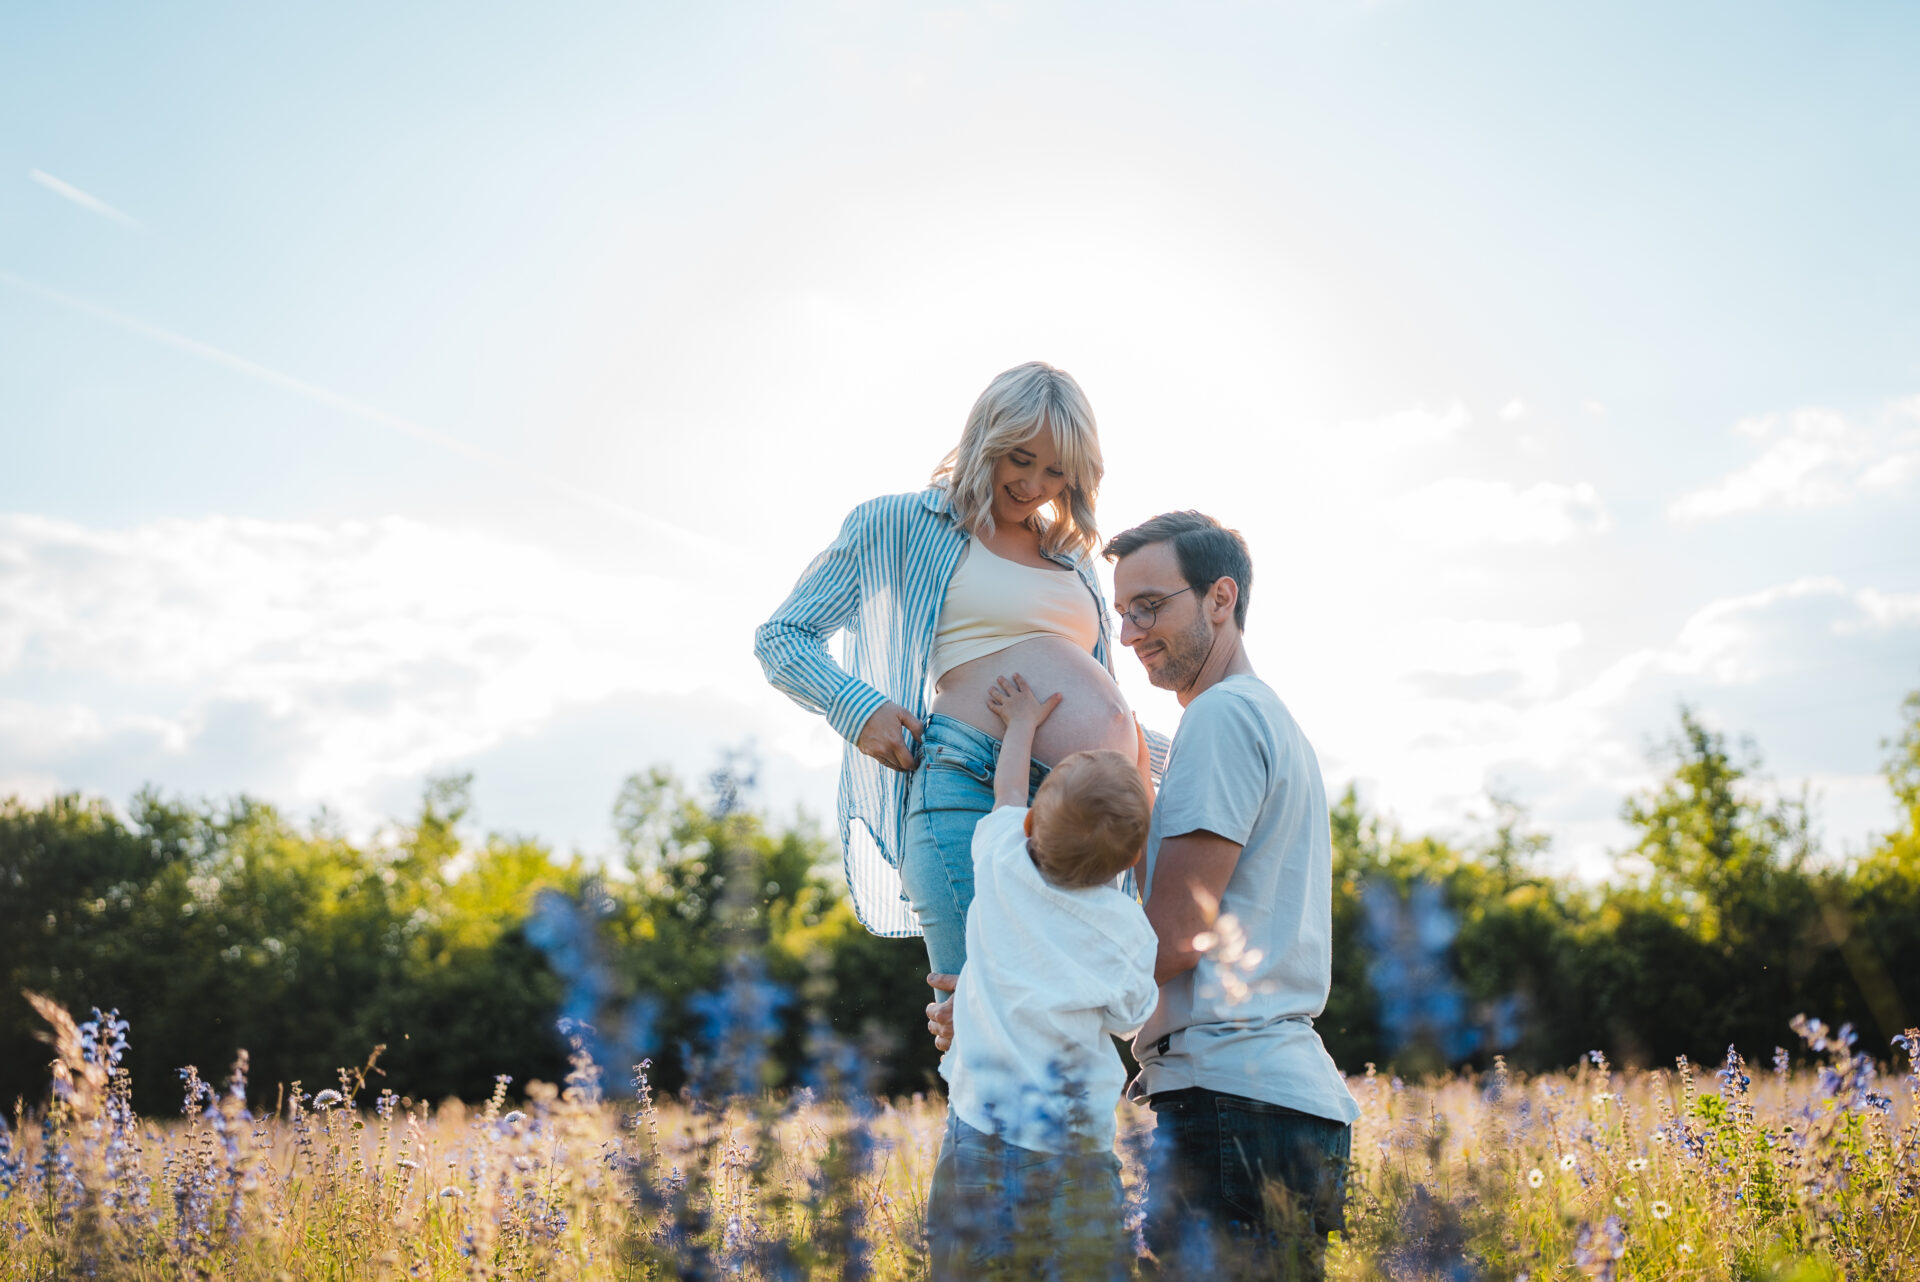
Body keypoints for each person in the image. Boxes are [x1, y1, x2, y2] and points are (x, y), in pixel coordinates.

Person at [753, 362, 1158, 981]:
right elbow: (783, 637)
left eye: (1056, 471)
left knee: (1074, 1016)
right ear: (985, 440)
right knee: (980, 1013)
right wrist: (858, 710)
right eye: (1020, 459)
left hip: (1086, 814)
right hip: (969, 786)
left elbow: (1101, 690)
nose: (1034, 485)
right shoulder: (900, 525)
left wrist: (1164, 752)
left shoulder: (1072, 559)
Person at [1103, 510, 1360, 1274]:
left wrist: (1025, 998)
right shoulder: (1264, 719)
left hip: (1229, 1103)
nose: (1130, 634)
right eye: (1121, 613)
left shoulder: (1221, 717)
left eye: (1150, 606)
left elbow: (1179, 933)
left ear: (1221, 598)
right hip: (1280, 1103)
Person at [926, 673, 1158, 1279]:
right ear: (1130, 861)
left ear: (1032, 824)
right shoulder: (1125, 930)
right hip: (1072, 1150)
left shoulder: (1003, 856)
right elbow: (1132, 1016)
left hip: (978, 1127)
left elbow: (1007, 791)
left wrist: (1023, 724)